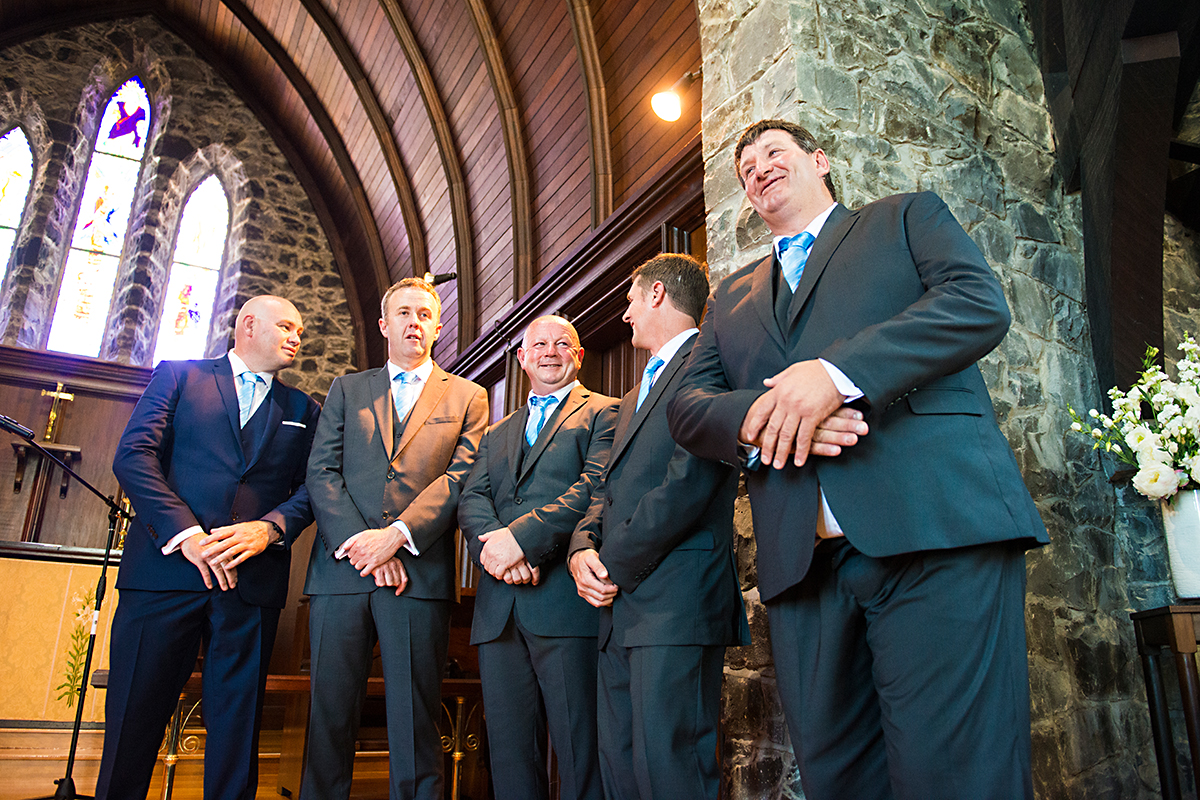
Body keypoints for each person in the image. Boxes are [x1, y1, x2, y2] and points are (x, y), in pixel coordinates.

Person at [667, 119, 1049, 800]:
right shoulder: (730, 298)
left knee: (958, 777)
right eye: (745, 167)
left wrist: (836, 375)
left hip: (935, 535)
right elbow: (688, 406)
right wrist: (766, 416)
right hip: (805, 571)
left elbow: (976, 304)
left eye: (773, 154)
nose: (757, 169)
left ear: (819, 161)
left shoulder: (904, 218)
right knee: (839, 779)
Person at [99, 295, 319, 800]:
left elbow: (313, 487)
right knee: (135, 715)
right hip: (164, 575)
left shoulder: (304, 408)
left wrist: (270, 528)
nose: (296, 338)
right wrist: (188, 536)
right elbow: (134, 455)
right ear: (247, 325)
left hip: (250, 585)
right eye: (287, 326)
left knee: (237, 729)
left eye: (300, 331)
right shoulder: (179, 376)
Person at [567, 253, 749, 800]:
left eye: (628, 301)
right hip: (618, 607)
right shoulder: (630, 396)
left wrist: (613, 564)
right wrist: (582, 548)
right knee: (621, 769)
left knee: (670, 773)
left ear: (656, 294)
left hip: (676, 600)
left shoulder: (709, 364)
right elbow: (604, 485)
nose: (625, 316)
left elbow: (690, 481)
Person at [302, 277, 488, 799]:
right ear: (385, 324)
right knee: (329, 717)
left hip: (417, 573)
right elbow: (322, 472)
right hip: (343, 572)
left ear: (437, 324)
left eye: (424, 314)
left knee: (414, 720)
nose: (414, 322)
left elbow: (460, 477)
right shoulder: (347, 388)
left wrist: (399, 535)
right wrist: (366, 542)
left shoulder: (467, 396)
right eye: (403, 313)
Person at [459, 315, 617, 800]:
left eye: (562, 344)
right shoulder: (496, 433)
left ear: (579, 355)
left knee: (579, 752)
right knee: (508, 757)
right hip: (499, 613)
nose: (551, 351)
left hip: (565, 608)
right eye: (539, 344)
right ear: (522, 358)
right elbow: (472, 499)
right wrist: (500, 551)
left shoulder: (606, 413)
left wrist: (522, 541)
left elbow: (594, 486)